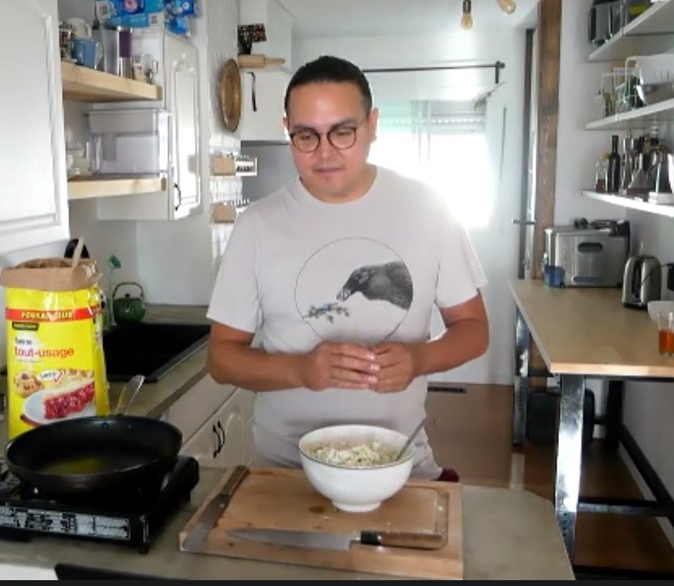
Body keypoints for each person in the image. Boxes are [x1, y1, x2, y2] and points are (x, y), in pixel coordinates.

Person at [205, 55, 490, 480]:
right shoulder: (257, 225)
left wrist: (418, 358)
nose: (325, 153)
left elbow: (474, 329)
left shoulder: (429, 210)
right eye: (306, 136)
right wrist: (300, 369)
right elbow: (221, 358)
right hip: (287, 473)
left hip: (400, 465)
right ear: (288, 131)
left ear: (372, 125)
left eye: (342, 132)